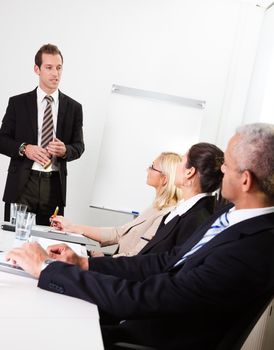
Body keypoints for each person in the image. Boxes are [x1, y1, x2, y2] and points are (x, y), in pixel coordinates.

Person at [6, 123, 274, 350]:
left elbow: (154, 295)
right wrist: (84, 263)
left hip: (146, 340)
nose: (221, 170)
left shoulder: (253, 249)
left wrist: (47, 270)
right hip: (138, 321)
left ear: (246, 180)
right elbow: (163, 262)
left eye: (226, 164)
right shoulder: (227, 216)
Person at [52, 143, 223, 257]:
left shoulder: (172, 214)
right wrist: (73, 227)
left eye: (152, 167)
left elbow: (139, 258)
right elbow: (120, 234)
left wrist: (92, 259)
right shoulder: (157, 207)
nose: (147, 169)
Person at [0, 44, 84, 225]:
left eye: (59, 68)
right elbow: (2, 139)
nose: (56, 73)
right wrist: (25, 148)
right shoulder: (18, 103)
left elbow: (79, 146)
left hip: (54, 186)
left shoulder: (74, 108)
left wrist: (65, 150)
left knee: (47, 245)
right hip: (22, 183)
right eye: (49, 68)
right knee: (15, 243)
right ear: (36, 69)